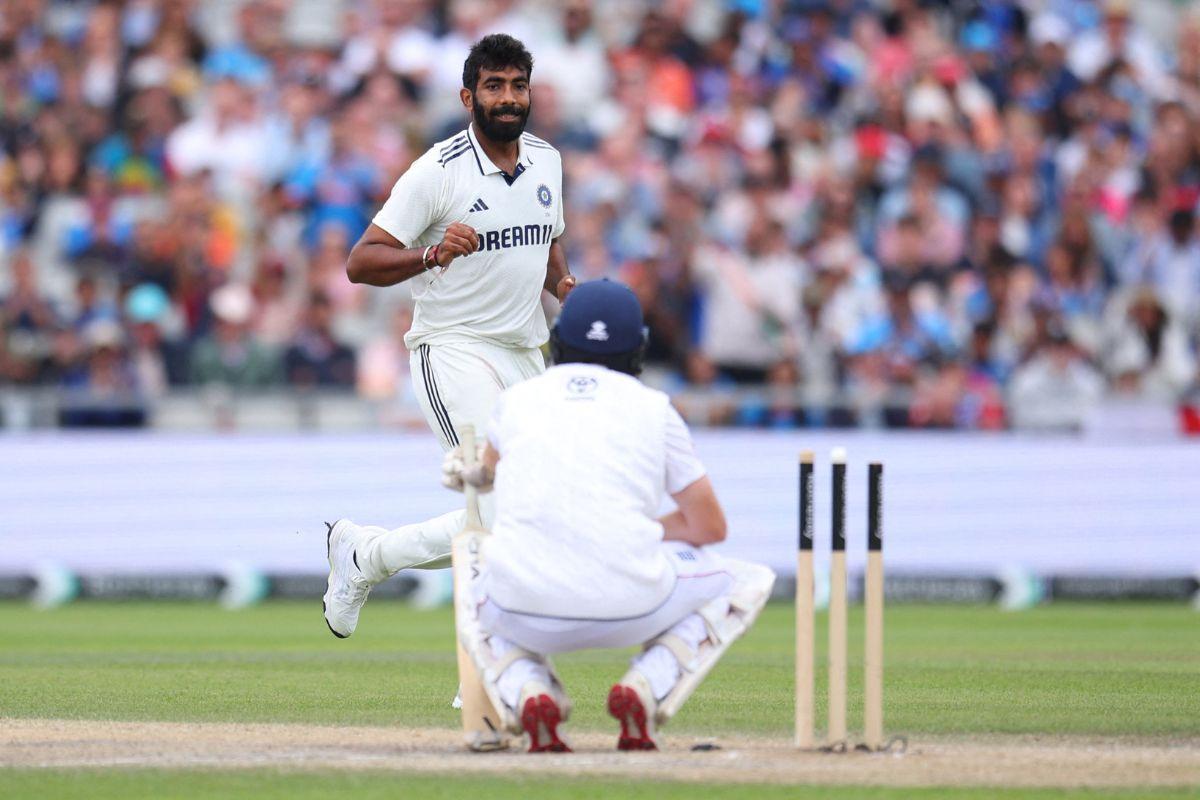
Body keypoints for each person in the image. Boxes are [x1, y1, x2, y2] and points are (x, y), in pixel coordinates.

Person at [443, 280, 775, 751]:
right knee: (746, 580)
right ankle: (647, 685)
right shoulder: (656, 408)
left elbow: (485, 475)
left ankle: (528, 691)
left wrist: (471, 472)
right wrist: (636, 528)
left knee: (474, 575)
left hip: (523, 606)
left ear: (558, 341)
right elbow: (709, 527)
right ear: (637, 348)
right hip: (633, 604)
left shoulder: (516, 400)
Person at [323, 34, 576, 638]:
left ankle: (366, 557)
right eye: (494, 85)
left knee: (533, 516)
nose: (508, 97)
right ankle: (489, 667)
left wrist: (566, 286)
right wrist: (432, 254)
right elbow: (361, 262)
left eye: (518, 85)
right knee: (496, 510)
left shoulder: (547, 160)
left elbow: (546, 241)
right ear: (468, 97)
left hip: (525, 352)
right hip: (455, 349)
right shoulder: (437, 171)